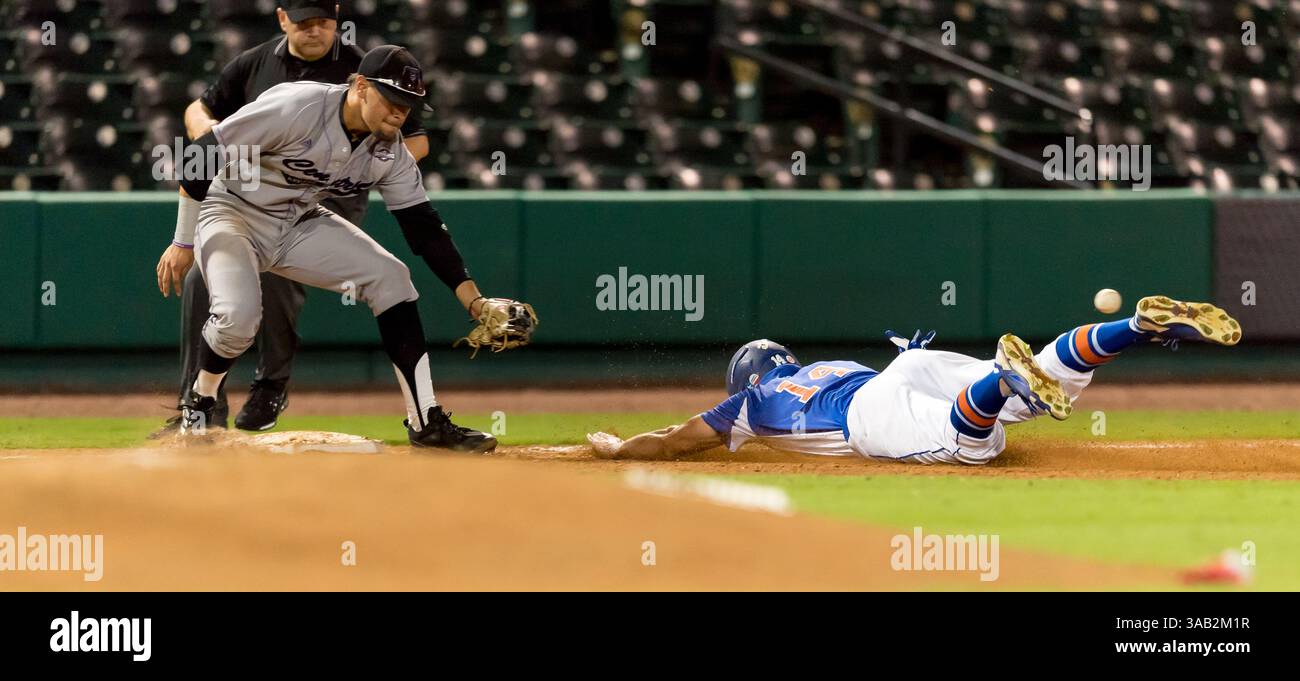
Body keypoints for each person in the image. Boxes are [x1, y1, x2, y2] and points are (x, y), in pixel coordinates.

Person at [161, 44, 535, 452]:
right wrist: (183, 241)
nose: (399, 112)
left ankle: (426, 421)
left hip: (297, 221)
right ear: (359, 85)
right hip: (231, 211)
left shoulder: (389, 151)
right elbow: (201, 154)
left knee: (392, 278)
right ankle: (199, 406)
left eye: (408, 105)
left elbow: (424, 229)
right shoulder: (298, 105)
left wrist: (475, 303)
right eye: (392, 99)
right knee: (238, 320)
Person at [153, 0, 429, 434]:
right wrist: (215, 141)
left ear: (337, 21)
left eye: (323, 22)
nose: (314, 30)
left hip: (329, 197)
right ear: (284, 19)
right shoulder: (255, 62)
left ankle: (270, 385)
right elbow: (200, 113)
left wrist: (358, 170)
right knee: (204, 285)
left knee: (279, 281)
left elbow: (411, 144)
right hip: (246, 195)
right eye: (304, 22)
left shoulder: (366, 70)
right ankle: (201, 404)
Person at [586, 296, 1242, 465]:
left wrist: (619, 447)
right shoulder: (826, 365)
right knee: (1046, 379)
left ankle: (1001, 383)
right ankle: (1133, 328)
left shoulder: (752, 403)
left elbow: (675, 439)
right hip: (898, 367)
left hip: (870, 415)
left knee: (970, 447)